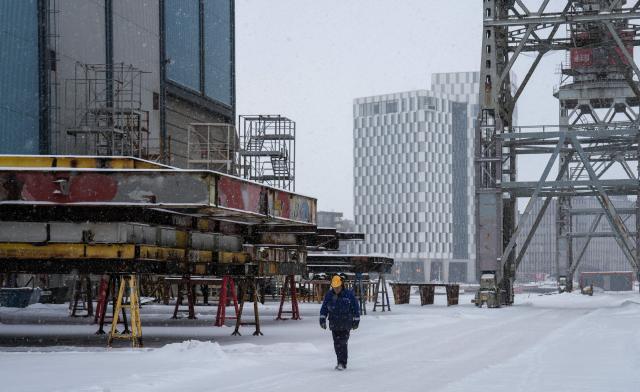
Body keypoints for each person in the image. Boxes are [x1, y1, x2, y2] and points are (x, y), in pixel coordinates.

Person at [319, 274, 360, 370]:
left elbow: (355, 308)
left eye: (338, 287)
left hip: (346, 323)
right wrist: (322, 319)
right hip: (334, 323)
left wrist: (356, 320)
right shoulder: (329, 295)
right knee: (336, 344)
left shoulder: (349, 295)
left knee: (343, 343)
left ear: (341, 285)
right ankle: (339, 361)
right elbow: (324, 308)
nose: (336, 289)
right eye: (334, 287)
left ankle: (342, 363)